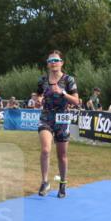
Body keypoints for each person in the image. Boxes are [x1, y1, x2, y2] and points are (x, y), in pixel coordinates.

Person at [35, 50, 80, 198]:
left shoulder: (68, 80)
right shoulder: (42, 80)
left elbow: (76, 101)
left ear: (61, 63)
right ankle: (45, 181)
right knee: (46, 149)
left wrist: (62, 93)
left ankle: (63, 183)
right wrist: (38, 100)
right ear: (47, 65)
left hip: (62, 117)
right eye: (50, 61)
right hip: (46, 116)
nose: (53, 63)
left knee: (62, 155)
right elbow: (38, 95)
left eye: (56, 60)